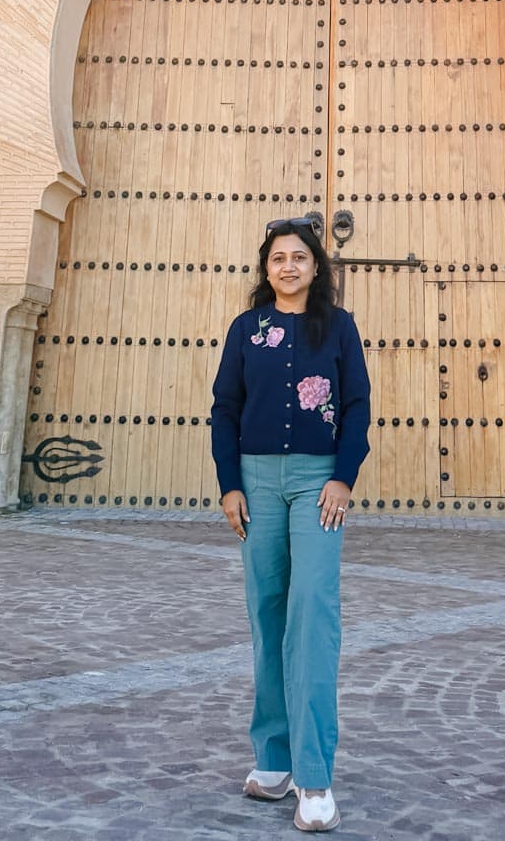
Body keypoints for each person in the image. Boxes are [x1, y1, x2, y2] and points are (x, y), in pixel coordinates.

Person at [211, 217, 371, 835]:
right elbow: (224, 409)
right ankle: (273, 759)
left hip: (317, 483)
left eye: (299, 257)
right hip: (256, 485)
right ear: (266, 268)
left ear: (315, 267)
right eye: (277, 258)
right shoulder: (246, 330)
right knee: (267, 613)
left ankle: (314, 775)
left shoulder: (338, 328)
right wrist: (230, 484)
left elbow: (356, 406)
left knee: (312, 613)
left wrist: (343, 477)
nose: (287, 267)